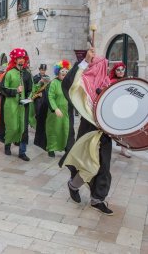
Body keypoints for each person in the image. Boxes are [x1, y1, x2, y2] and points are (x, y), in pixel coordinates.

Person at [60, 47, 114, 215]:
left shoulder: (108, 85)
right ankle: (73, 185)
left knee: (104, 166)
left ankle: (98, 199)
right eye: (100, 66)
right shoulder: (83, 84)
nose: (102, 70)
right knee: (88, 165)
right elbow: (68, 85)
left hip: (105, 131)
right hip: (89, 128)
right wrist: (84, 62)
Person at [0, 48, 32, 161]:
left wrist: (29, 96)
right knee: (12, 127)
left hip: (23, 106)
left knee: (23, 129)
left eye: (23, 58)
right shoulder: (9, 73)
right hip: (11, 105)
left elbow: (30, 89)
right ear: (15, 59)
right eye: (19, 58)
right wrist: (15, 91)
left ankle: (22, 152)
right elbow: (2, 88)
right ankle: (7, 145)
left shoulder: (27, 74)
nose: (21, 60)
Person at [45, 60, 72, 157]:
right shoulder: (53, 83)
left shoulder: (68, 83)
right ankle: (51, 148)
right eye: (62, 71)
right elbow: (50, 96)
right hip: (55, 112)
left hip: (65, 112)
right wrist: (55, 108)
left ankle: (63, 147)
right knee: (54, 130)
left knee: (64, 129)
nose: (64, 73)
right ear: (58, 72)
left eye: (66, 71)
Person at [108, 62, 131, 158]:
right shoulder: (112, 81)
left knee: (125, 130)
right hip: (115, 109)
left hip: (125, 108)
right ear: (115, 71)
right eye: (118, 70)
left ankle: (124, 149)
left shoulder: (127, 80)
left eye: (122, 69)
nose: (121, 72)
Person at [32, 64, 50, 149]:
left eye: (44, 70)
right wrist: (37, 93)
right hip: (38, 98)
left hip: (44, 97)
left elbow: (48, 87)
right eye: (41, 70)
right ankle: (37, 128)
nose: (43, 71)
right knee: (38, 114)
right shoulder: (35, 77)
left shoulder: (47, 77)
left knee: (43, 115)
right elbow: (33, 88)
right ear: (39, 69)